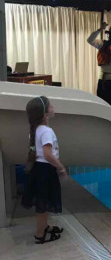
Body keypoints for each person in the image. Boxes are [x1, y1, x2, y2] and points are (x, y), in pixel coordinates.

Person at [22, 96, 66, 244]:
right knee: (42, 205)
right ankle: (40, 235)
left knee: (43, 202)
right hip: (45, 171)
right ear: (45, 113)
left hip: (38, 169)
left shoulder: (35, 130)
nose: (53, 108)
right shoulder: (46, 131)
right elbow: (48, 155)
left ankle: (45, 227)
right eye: (51, 106)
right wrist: (60, 166)